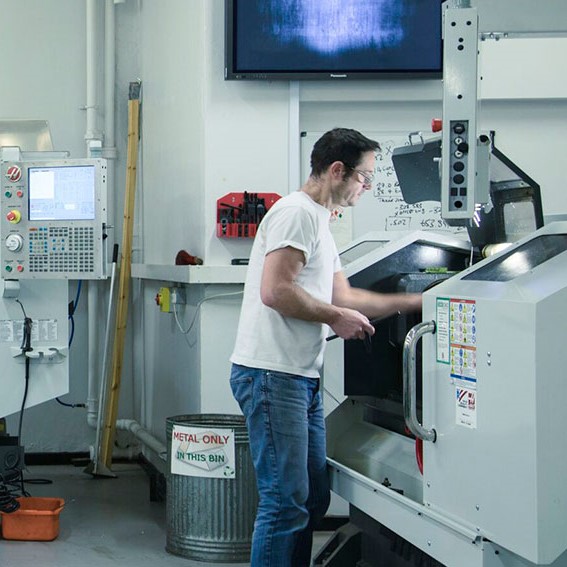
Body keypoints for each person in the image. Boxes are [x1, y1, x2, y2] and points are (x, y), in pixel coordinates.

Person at [230, 127, 422, 566]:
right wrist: (336, 318)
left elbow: (346, 297)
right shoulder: (296, 214)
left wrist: (417, 301)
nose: (367, 187)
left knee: (312, 497)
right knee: (285, 503)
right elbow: (276, 291)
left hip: (300, 377)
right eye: (365, 177)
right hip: (272, 376)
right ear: (337, 170)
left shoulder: (319, 219)